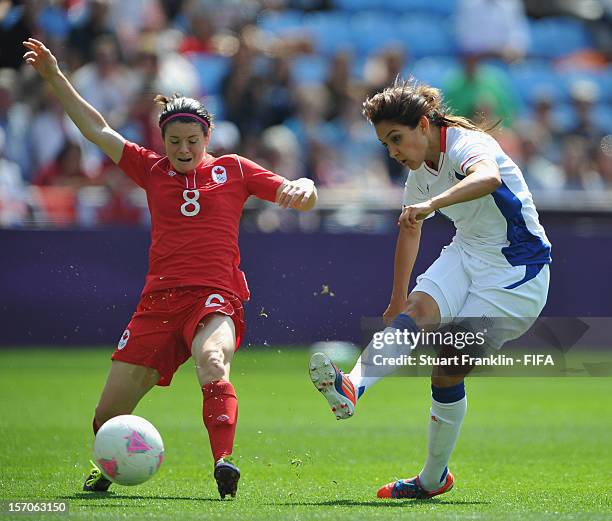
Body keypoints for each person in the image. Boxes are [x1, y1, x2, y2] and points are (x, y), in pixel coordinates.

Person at [23, 38, 317, 499]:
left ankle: (224, 463)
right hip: (158, 303)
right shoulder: (151, 169)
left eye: (192, 140)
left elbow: (297, 191)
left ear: (207, 138)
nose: (183, 148)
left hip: (214, 296)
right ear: (163, 140)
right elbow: (97, 130)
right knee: (106, 419)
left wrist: (306, 185)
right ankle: (111, 464)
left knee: (213, 361)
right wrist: (56, 76)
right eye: (174, 140)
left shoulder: (235, 170)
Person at [309, 78, 550, 499]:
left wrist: (432, 204)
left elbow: (489, 178)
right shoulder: (420, 171)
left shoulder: (466, 144)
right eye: (386, 144)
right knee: (416, 312)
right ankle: (351, 387)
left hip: (517, 272)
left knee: (446, 367)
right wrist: (397, 298)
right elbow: (410, 229)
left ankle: (432, 478)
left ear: (423, 125)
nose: (393, 152)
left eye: (396, 139)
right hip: (468, 252)